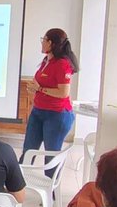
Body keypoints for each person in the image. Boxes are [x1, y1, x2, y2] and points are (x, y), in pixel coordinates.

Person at [22, 27, 77, 157]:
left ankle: (51, 172)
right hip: (38, 111)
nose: (42, 42)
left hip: (56, 114)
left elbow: (63, 93)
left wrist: (39, 89)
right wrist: (34, 89)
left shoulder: (62, 64)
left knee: (51, 155)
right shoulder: (46, 60)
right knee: (28, 152)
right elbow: (39, 82)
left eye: (44, 39)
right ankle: (21, 171)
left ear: (50, 43)